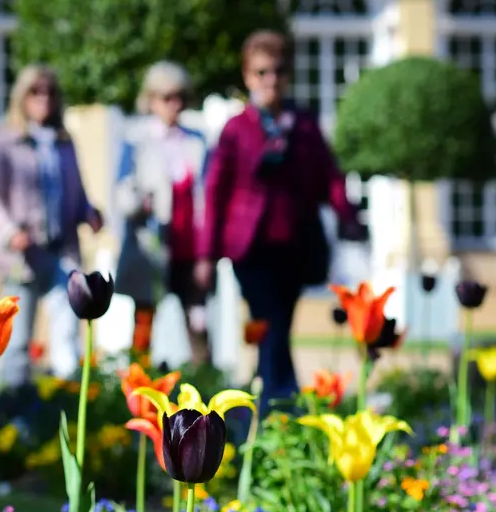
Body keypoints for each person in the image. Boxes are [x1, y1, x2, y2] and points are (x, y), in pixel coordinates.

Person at [194, 31, 365, 411]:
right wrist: (206, 256)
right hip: (250, 248)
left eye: (279, 71)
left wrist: (348, 216)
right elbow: (215, 193)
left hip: (294, 244)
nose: (271, 80)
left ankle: (268, 392)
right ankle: (279, 395)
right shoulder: (237, 129)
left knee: (280, 323)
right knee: (268, 320)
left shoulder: (302, 126)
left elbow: (328, 178)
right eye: (262, 72)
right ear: (248, 76)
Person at [0, 63, 104, 388]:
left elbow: (77, 192)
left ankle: (64, 400)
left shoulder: (64, 141)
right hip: (22, 256)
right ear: (22, 96)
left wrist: (89, 214)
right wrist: (8, 232)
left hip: (62, 250)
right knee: (17, 339)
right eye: (35, 91)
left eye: (49, 92)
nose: (43, 98)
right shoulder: (5, 140)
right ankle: (13, 408)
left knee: (66, 334)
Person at [113, 61, 210, 366]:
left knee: (198, 322)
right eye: (166, 97)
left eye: (179, 97)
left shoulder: (197, 141)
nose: (174, 104)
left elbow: (207, 194)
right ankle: (136, 386)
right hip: (151, 247)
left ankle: (205, 391)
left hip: (189, 249)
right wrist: (140, 202)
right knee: (144, 320)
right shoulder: (137, 140)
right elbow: (121, 191)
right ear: (152, 99)